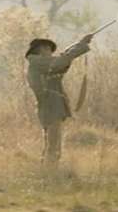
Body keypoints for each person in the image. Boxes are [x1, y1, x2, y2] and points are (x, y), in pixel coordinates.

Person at [25, 34, 93, 165]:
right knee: (53, 144)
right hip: (49, 106)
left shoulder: (41, 63)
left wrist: (80, 43)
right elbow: (61, 61)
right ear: (42, 49)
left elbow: (64, 59)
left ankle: (48, 171)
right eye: (49, 49)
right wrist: (82, 45)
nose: (51, 52)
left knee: (52, 143)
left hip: (52, 105)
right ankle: (50, 172)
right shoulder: (38, 62)